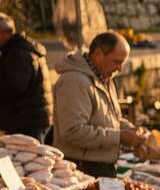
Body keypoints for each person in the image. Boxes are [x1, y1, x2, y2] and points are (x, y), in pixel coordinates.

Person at [52, 31, 146, 177]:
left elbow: (111, 119)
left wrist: (131, 130)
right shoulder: (74, 81)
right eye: (117, 62)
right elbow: (72, 131)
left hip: (101, 165)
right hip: (81, 168)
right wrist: (120, 137)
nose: (120, 69)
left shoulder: (106, 77)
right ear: (98, 54)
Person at [0, 12, 53, 142]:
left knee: (27, 159)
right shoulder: (20, 49)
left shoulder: (18, 53)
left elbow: (15, 86)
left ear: (1, 33)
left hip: (27, 122)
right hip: (31, 119)